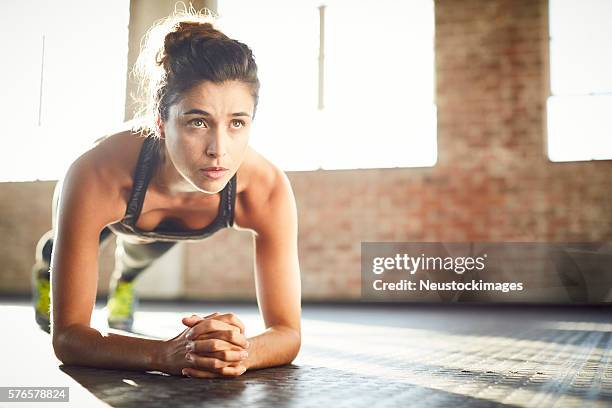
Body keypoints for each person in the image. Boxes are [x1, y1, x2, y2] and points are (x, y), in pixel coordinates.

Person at [30, 8, 302, 378]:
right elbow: (68, 339)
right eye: (198, 122)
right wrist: (167, 354)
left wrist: (240, 352)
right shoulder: (95, 175)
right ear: (160, 121)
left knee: (140, 255)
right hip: (116, 199)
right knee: (61, 250)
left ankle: (124, 282)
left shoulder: (266, 188)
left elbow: (288, 333)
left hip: (159, 224)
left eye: (237, 122)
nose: (219, 149)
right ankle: (49, 271)